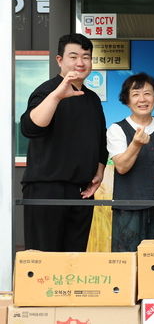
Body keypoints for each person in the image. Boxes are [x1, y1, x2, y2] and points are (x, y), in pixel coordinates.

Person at [20, 33, 107, 252]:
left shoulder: (92, 98)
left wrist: (99, 172)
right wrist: (57, 96)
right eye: (74, 56)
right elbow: (31, 127)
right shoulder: (47, 91)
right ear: (60, 60)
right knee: (44, 257)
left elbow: (100, 142)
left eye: (86, 57)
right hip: (46, 189)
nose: (80, 62)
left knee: (74, 259)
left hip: (81, 192)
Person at [107, 73, 154, 251]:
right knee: (127, 259)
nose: (142, 99)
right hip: (129, 210)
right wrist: (136, 144)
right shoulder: (117, 129)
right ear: (126, 100)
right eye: (136, 94)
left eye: (148, 93)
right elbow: (122, 167)